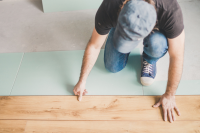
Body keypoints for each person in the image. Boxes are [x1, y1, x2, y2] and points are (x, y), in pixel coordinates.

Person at [73, 0, 185, 123]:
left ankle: (149, 58)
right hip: (118, 19)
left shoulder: (169, 10)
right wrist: (82, 81)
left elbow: (177, 56)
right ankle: (117, 32)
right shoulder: (110, 6)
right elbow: (94, 45)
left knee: (157, 44)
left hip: (156, 32)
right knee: (112, 66)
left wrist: (169, 95)